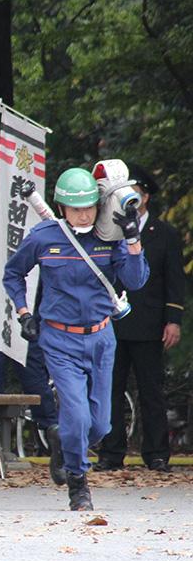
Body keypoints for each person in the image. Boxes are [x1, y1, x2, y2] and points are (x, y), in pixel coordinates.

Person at [4, 168, 148, 511]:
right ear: (61, 207)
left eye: (89, 207)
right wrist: (24, 313)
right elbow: (13, 273)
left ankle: (60, 439)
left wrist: (131, 239)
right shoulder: (43, 237)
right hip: (59, 339)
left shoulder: (109, 237)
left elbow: (136, 280)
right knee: (79, 418)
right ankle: (78, 486)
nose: (83, 214)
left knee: (100, 426)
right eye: (75, 208)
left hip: (101, 338)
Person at [95, 163, 184, 473]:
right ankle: (110, 453)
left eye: (131, 190)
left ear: (143, 197)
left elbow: (174, 280)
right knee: (110, 390)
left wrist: (173, 319)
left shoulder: (165, 233)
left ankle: (157, 453)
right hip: (112, 322)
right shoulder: (107, 229)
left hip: (148, 324)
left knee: (151, 392)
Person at [0, 249, 57, 456]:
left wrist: (44, 325)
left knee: (37, 384)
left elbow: (50, 290)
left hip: (30, 324)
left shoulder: (41, 247)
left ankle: (52, 439)